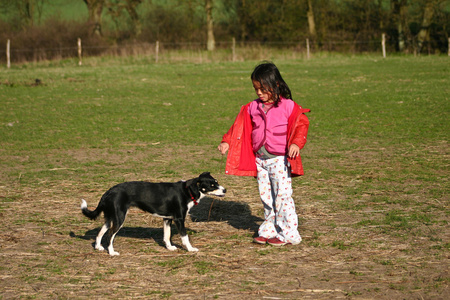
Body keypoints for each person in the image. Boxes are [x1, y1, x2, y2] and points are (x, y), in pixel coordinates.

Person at [218, 62, 310, 246]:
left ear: (275, 85)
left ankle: (289, 233)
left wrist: (296, 143)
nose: (259, 93)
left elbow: (301, 124)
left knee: (283, 196)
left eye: (262, 88)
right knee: (266, 197)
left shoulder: (288, 106)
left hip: (279, 160)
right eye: (256, 89)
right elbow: (239, 126)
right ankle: (269, 229)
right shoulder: (252, 107)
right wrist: (227, 141)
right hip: (260, 160)